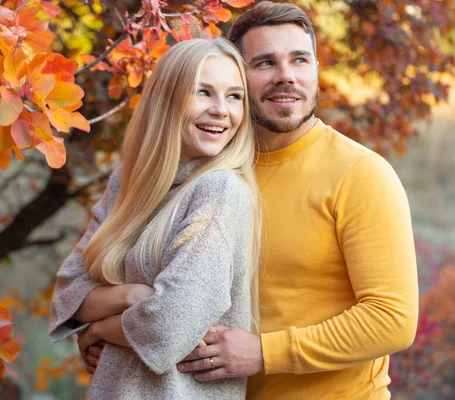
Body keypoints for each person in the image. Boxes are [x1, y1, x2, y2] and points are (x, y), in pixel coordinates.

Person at [83, 2, 419, 399]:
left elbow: (392, 320)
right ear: (238, 78)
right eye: (264, 63)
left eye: (300, 60)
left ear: (315, 69)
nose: (286, 77)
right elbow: (140, 283)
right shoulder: (207, 168)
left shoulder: (359, 174)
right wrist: (104, 335)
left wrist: (263, 352)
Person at [47, 37, 261, 400]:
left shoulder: (220, 191)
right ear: (166, 98)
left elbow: (169, 325)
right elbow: (69, 292)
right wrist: (134, 295)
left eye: (235, 96)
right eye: (203, 92)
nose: (222, 110)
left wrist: (97, 331)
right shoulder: (128, 182)